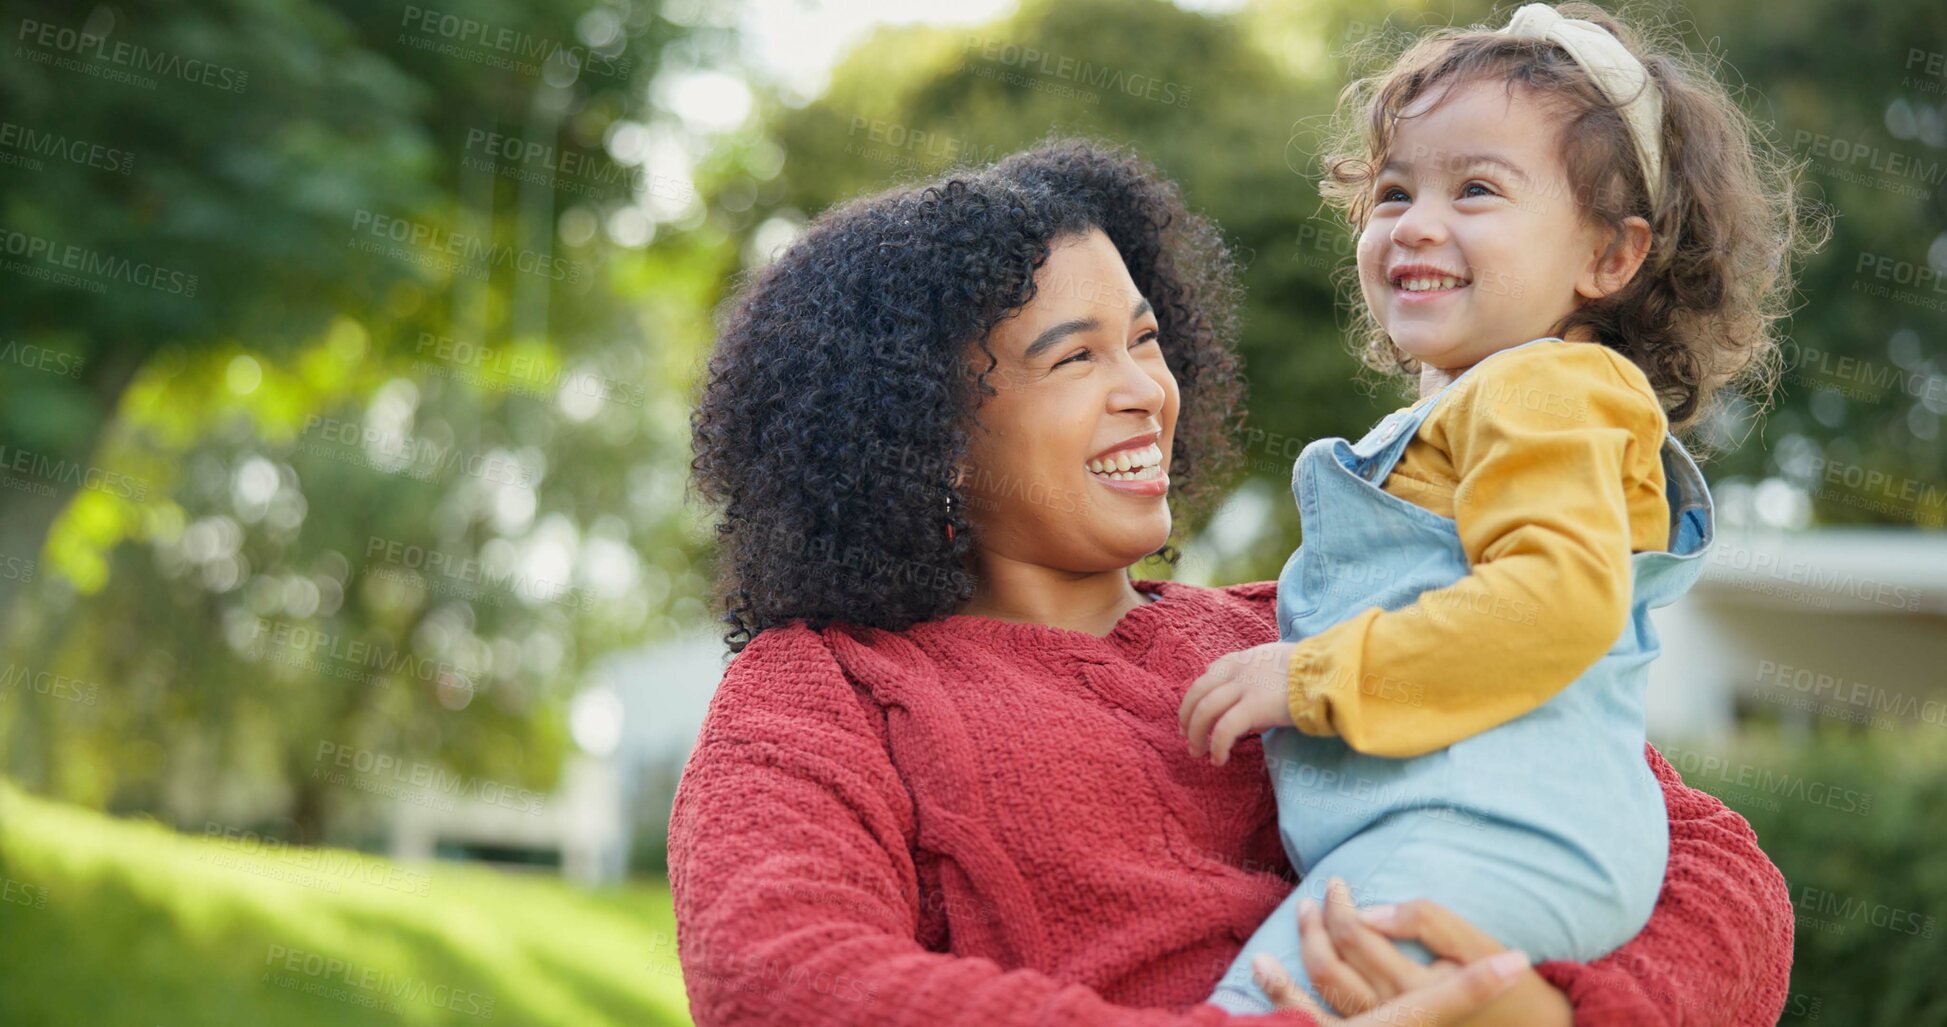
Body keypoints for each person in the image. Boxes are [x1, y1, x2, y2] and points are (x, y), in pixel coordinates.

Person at [675, 138, 1794, 1026]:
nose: (1145, 393)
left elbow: (1717, 869)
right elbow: (782, 982)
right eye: (1076, 357)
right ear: (925, 436)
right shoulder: (823, 689)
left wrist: (1547, 1014)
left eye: (1148, 339)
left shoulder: (1305, 627)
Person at [1175, 5, 1819, 1015]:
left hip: (1490, 838)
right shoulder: (1486, 407)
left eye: (1476, 189)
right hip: (1453, 837)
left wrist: (1311, 675)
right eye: (1393, 190)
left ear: (1609, 259)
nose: (1417, 220)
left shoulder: (1548, 390)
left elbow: (1556, 600)